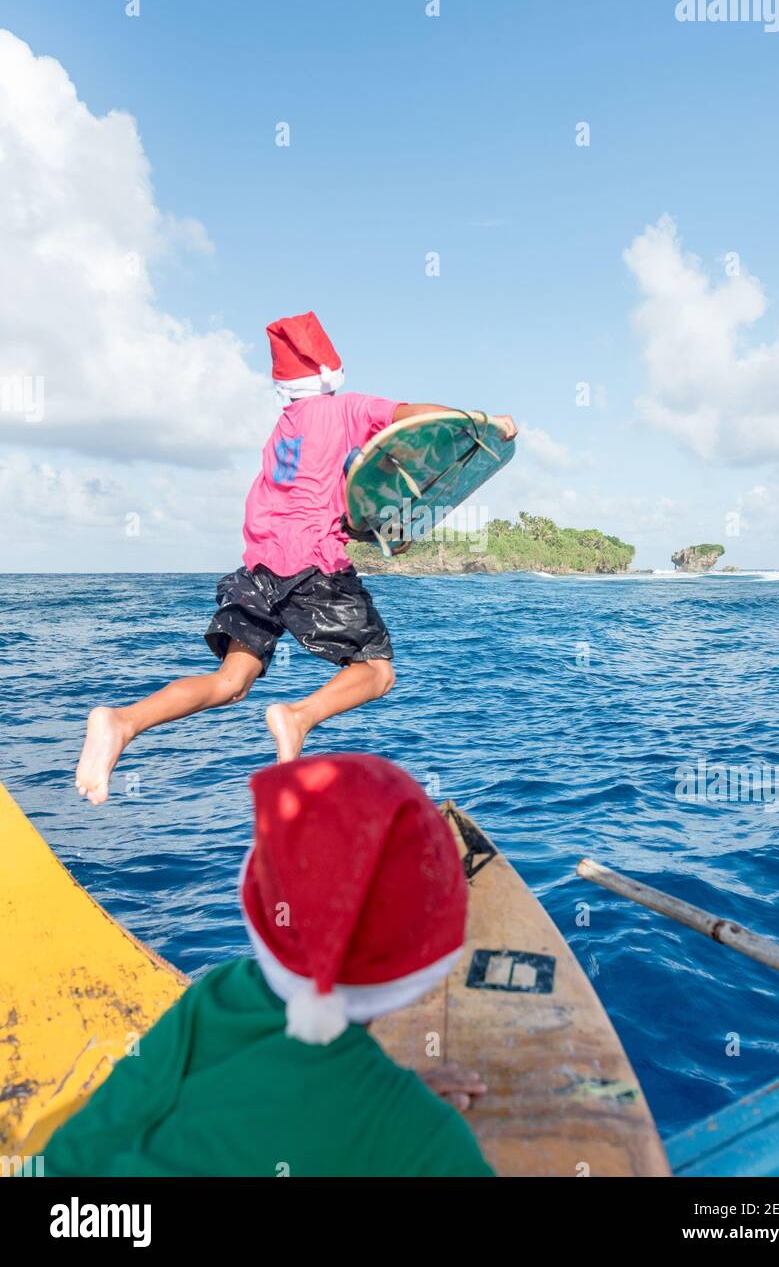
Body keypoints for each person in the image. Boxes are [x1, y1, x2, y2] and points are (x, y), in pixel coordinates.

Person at [75, 311, 518, 803]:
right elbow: (418, 417)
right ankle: (298, 717)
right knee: (376, 670)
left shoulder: (282, 434)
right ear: (330, 372)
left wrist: (376, 527)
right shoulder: (347, 408)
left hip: (257, 569)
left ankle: (121, 722)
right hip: (311, 565)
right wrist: (485, 422)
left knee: (231, 682)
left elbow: (322, 501)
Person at [44, 754, 495, 1178]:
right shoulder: (428, 1141)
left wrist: (394, 1094)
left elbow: (85, 1144)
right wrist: (401, 1106)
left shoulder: (219, 996)